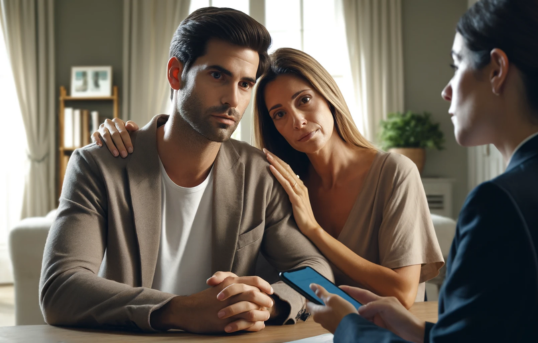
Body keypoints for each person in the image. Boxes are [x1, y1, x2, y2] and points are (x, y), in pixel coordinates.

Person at [293, 0, 538, 342]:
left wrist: (350, 327)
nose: (446, 90)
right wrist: (421, 332)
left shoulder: (499, 204)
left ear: (497, 69)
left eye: (456, 65)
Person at [40, 7, 333, 334]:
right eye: (218, 75)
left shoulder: (260, 174)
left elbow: (314, 271)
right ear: (176, 74)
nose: (233, 100)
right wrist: (179, 310)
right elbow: (60, 287)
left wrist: (271, 302)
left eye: (246, 84)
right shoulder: (98, 166)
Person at [95, 48, 445, 308]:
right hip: (317, 331)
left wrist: (314, 231)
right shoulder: (281, 179)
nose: (297, 120)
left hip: (386, 332)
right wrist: (126, 134)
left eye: (304, 100)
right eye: (279, 114)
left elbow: (400, 292)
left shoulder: (394, 172)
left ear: (329, 96)